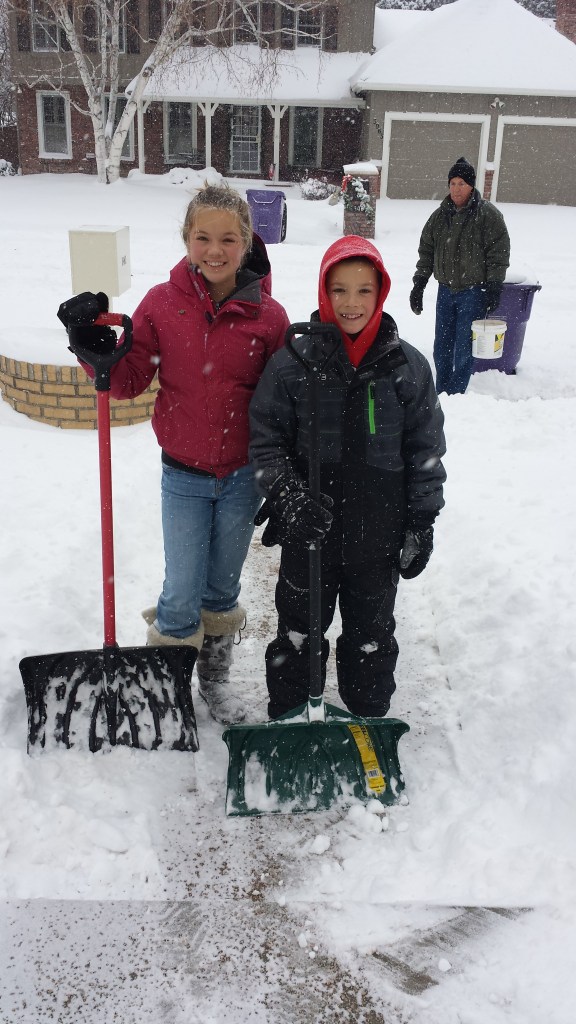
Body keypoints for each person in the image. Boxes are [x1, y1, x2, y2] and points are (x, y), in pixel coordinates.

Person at [58, 183, 290, 725]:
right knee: (182, 589)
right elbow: (127, 380)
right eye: (203, 237)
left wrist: (285, 472)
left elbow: (282, 402)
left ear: (246, 242)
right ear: (186, 239)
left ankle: (213, 680)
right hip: (183, 475)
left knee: (222, 587)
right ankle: (166, 682)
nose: (215, 250)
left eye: (228, 239)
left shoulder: (269, 317)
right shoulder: (162, 304)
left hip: (242, 476)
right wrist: (93, 352)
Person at [249, 236, 446, 721]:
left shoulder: (406, 367)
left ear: (381, 292)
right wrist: (288, 496)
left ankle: (368, 718)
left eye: (363, 290)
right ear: (323, 291)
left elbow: (425, 449)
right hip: (308, 530)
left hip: (378, 531)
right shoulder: (294, 363)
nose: (351, 302)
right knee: (298, 632)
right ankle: (291, 718)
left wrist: (421, 521)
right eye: (339, 289)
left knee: (370, 634)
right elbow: (266, 440)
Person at [410, 156, 510, 395]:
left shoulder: (487, 215)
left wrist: (494, 285)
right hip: (445, 290)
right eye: (452, 183)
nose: (456, 189)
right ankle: (442, 392)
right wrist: (419, 284)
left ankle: (456, 395)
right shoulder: (439, 216)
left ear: (471, 186)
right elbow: (426, 250)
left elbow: (498, 252)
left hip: (473, 292)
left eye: (461, 184)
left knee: (464, 348)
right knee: (441, 346)